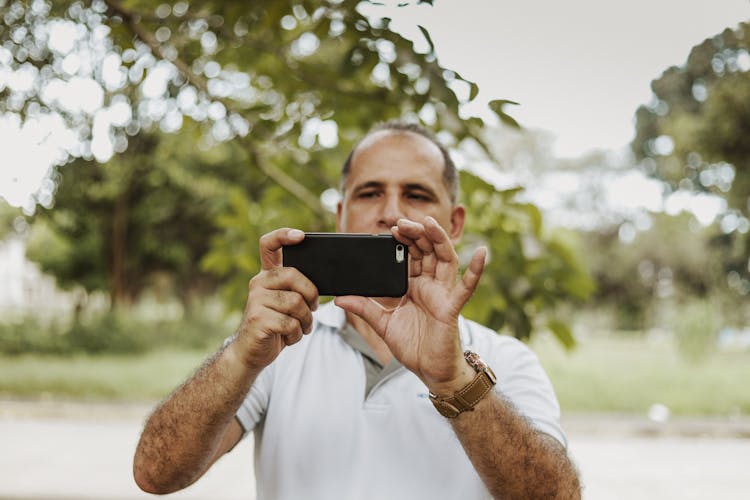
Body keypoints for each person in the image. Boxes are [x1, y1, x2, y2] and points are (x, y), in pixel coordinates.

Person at [133, 121, 581, 499]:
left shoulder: (503, 360)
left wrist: (454, 380)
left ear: (455, 222)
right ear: (341, 214)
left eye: (417, 195)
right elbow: (157, 474)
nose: (390, 213)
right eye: (370, 193)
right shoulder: (277, 344)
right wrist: (240, 356)